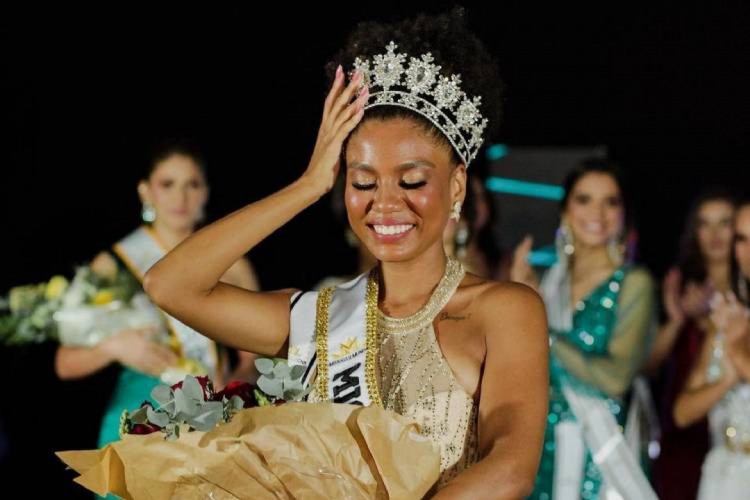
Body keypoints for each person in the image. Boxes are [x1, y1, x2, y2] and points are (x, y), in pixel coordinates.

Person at [143, 8, 549, 497]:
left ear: (456, 185)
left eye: (412, 180)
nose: (385, 203)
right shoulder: (321, 318)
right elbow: (169, 284)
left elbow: (511, 467)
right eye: (363, 182)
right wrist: (308, 185)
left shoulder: (504, 310)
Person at [53, 144, 259, 450]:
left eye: (192, 184)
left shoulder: (233, 264)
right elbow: (64, 363)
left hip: (208, 422)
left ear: (205, 193)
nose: (181, 197)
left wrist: (233, 386)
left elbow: (254, 357)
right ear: (146, 191)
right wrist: (116, 346)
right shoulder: (115, 264)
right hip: (136, 423)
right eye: (167, 184)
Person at [512, 158, 657, 499]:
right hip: (542, 447)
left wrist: (541, 325)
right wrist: (519, 301)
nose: (598, 212)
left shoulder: (633, 283)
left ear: (623, 213)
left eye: (611, 201)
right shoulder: (550, 283)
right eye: (584, 199)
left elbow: (616, 378)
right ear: (565, 211)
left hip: (602, 453)